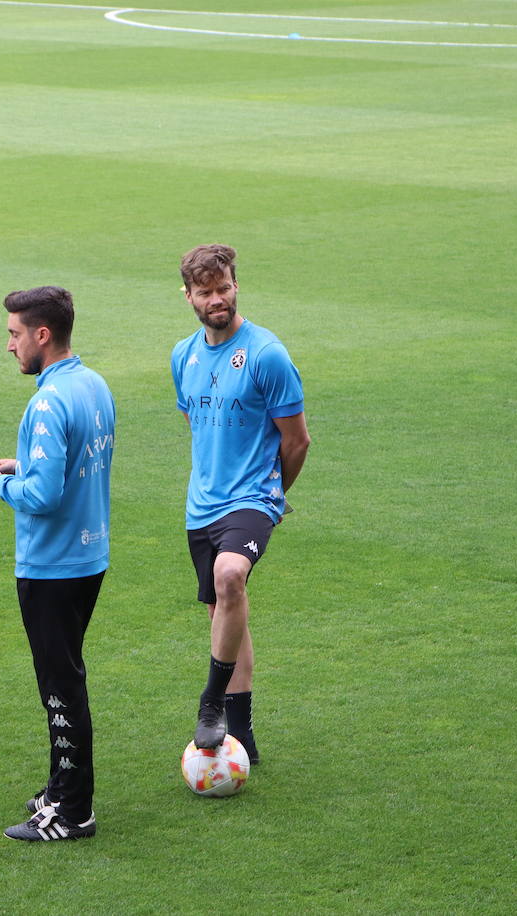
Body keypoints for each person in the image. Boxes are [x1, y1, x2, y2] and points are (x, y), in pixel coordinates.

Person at [0, 286, 114, 842]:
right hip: (88, 554)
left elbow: (44, 496)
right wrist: (20, 463)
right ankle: (59, 788)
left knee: (60, 685)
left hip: (52, 565)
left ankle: (74, 811)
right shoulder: (93, 385)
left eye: (13, 333)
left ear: (41, 335)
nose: (9, 345)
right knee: (66, 675)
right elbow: (72, 465)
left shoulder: (47, 401)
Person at [170, 244, 310, 761]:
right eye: (204, 292)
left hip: (253, 498)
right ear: (188, 296)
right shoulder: (182, 355)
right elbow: (197, 425)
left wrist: (271, 499)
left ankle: (212, 703)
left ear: (236, 285)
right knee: (225, 612)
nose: (217, 299)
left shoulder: (267, 354)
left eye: (224, 288)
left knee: (232, 576)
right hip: (201, 505)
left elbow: (297, 441)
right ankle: (243, 736)